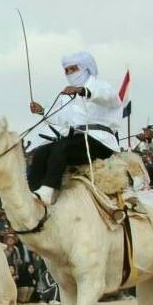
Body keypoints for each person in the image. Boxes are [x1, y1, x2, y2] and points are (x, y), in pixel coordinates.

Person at [26, 51, 121, 204]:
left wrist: (83, 91)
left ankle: (48, 190)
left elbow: (110, 99)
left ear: (86, 68)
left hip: (99, 141)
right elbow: (62, 120)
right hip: (75, 140)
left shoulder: (100, 86)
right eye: (66, 70)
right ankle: (32, 194)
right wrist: (43, 111)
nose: (69, 73)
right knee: (42, 152)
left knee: (62, 146)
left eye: (73, 69)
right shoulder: (66, 95)